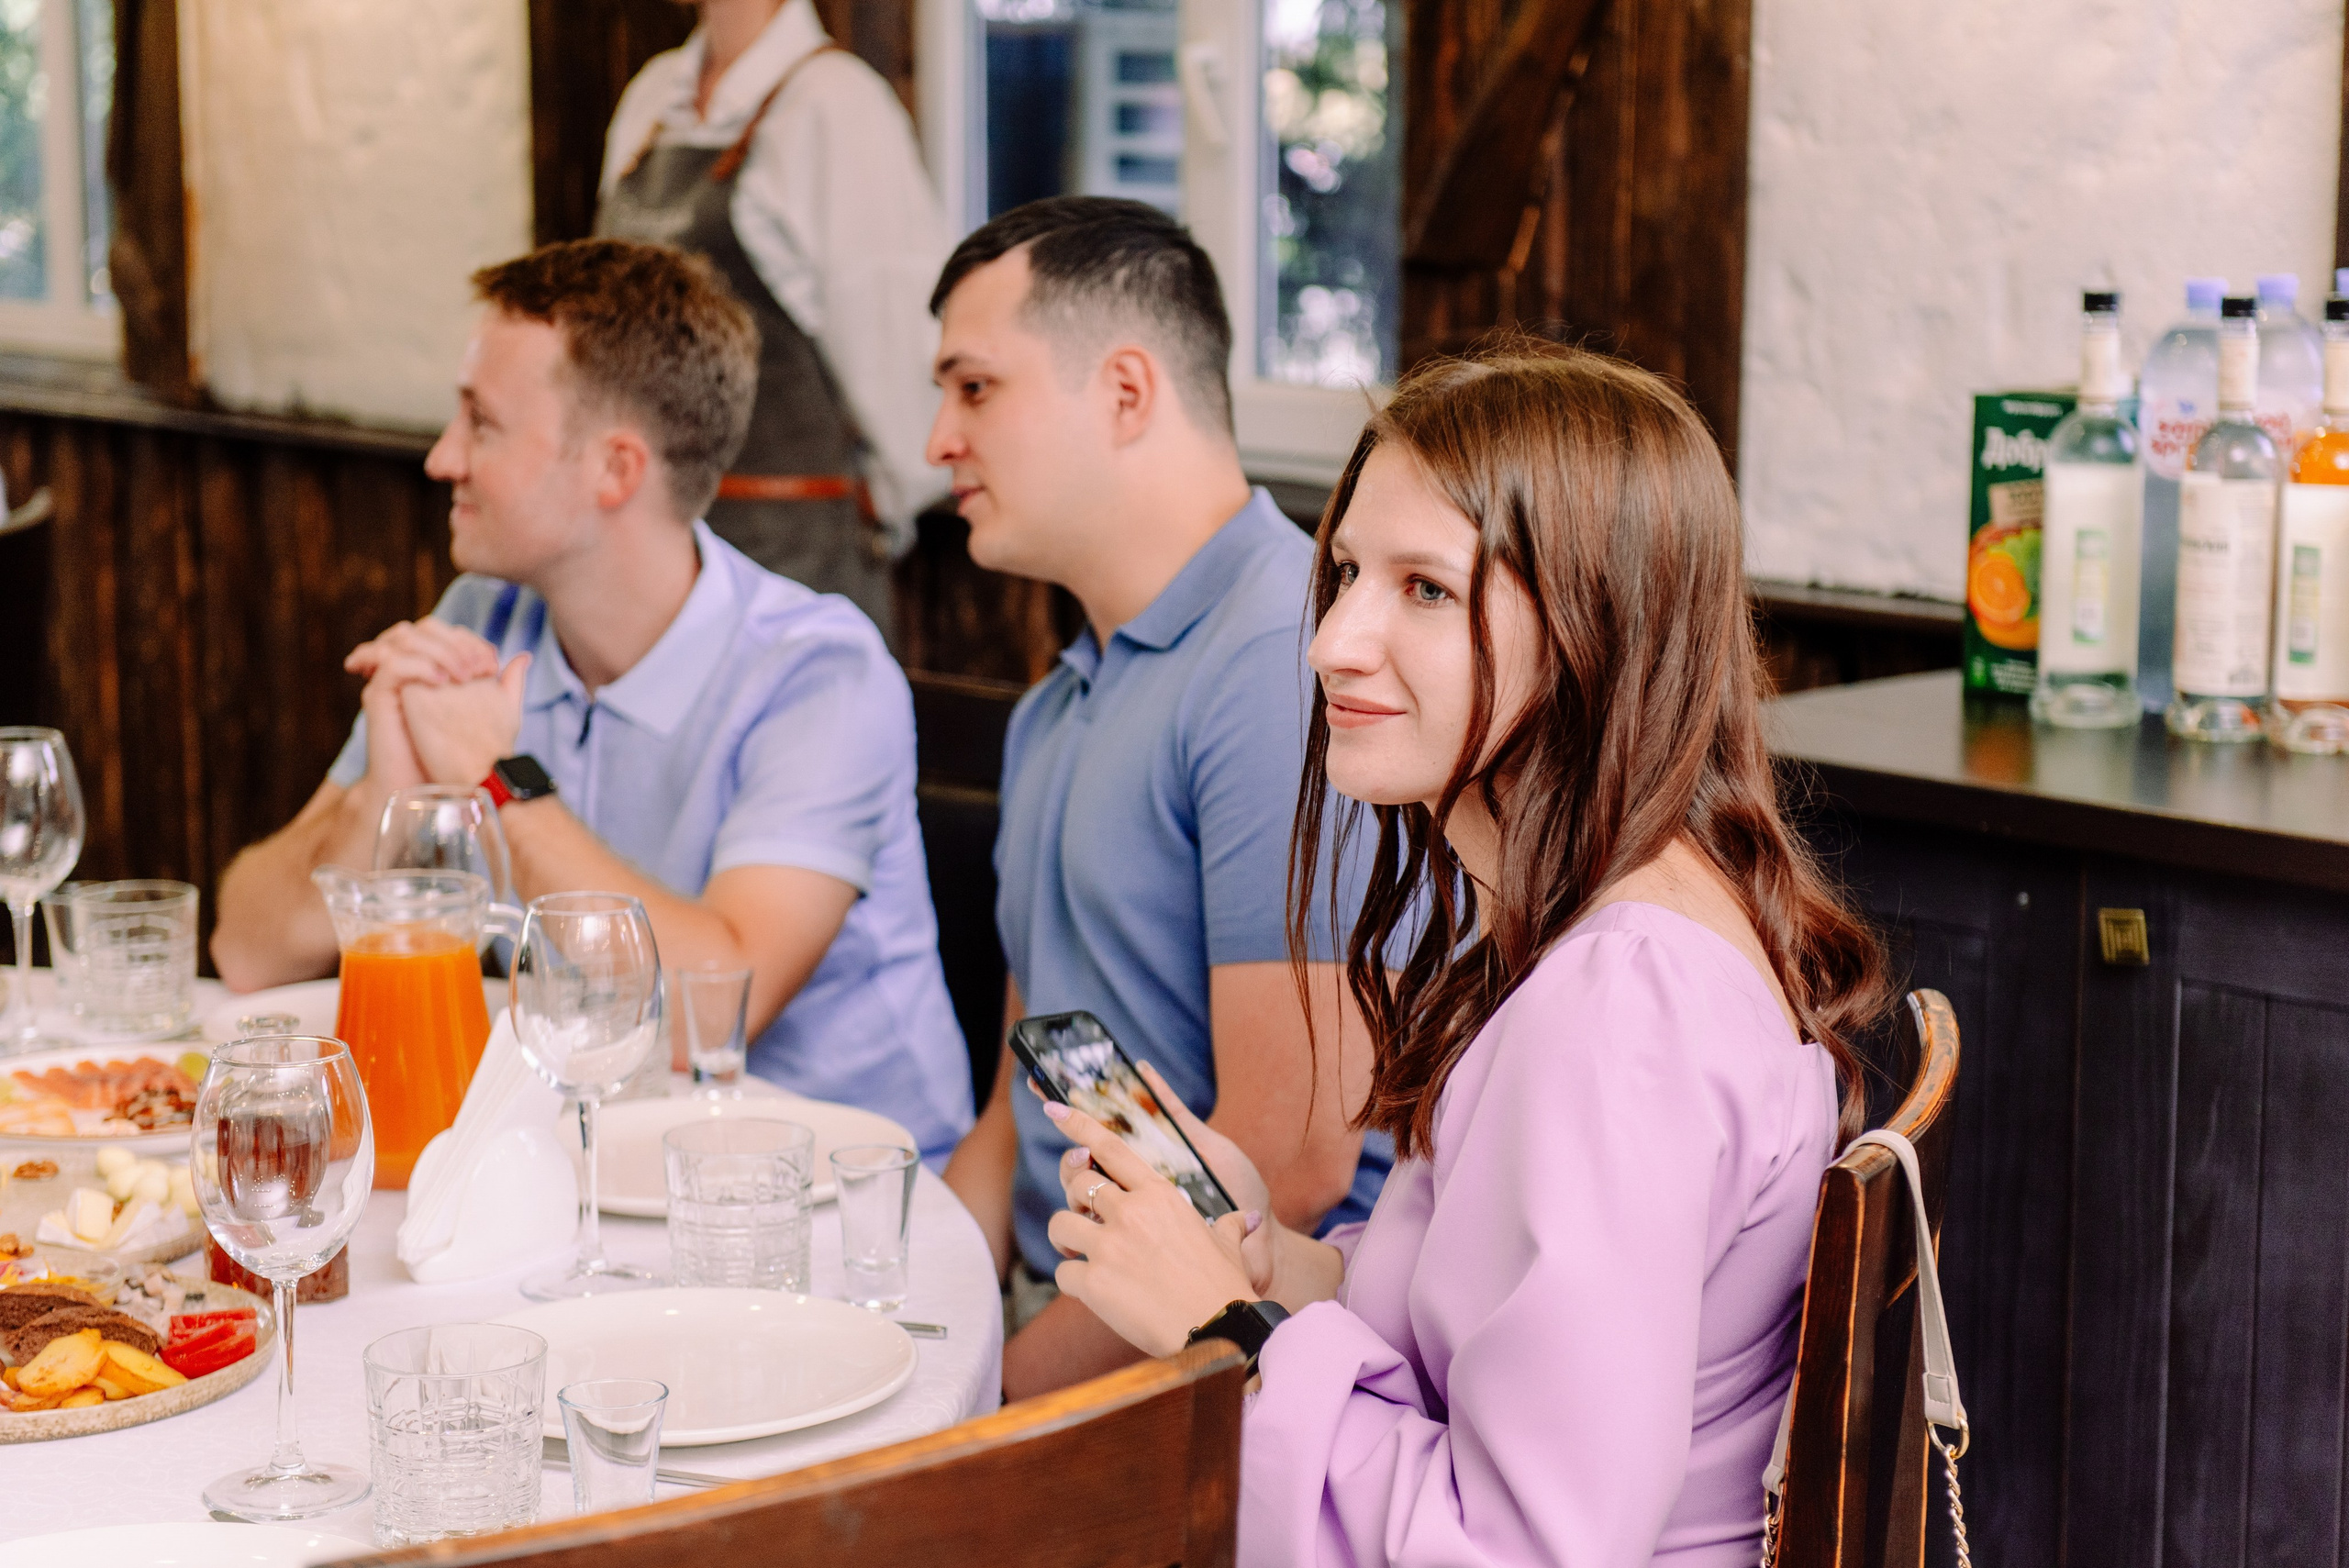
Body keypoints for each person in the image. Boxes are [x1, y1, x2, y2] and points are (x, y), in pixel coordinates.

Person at [1036, 342, 1893, 1566]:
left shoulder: (1619, 1007)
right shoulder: (1635, 907)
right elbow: (1486, 1330)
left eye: (1426, 589)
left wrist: (1224, 1329)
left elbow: (1520, 1547)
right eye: (1345, 573)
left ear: (1597, 626)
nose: (1334, 641)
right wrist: (1263, 1252)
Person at [210, 239, 973, 1162]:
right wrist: (384, 795)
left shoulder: (821, 673)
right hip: (579, 1165)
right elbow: (247, 948)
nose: (442, 458)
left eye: (482, 423)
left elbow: (706, 1013)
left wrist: (497, 777)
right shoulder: (482, 616)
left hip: (837, 1193)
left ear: (615, 469)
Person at [927, 197, 1391, 1399]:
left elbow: (1290, 1167)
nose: (936, 440)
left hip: (1228, 1360)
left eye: (974, 388)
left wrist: (991, 1410)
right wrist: (917, 1334)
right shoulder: (1055, 706)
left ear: (1127, 392)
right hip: (1061, 1318)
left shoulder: (1283, 660)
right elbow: (1016, 1114)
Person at [597, 0, 948, 638]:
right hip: (644, 545)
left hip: (789, 556)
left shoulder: (838, 106)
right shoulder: (652, 97)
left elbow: (897, 354)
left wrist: (874, 505)